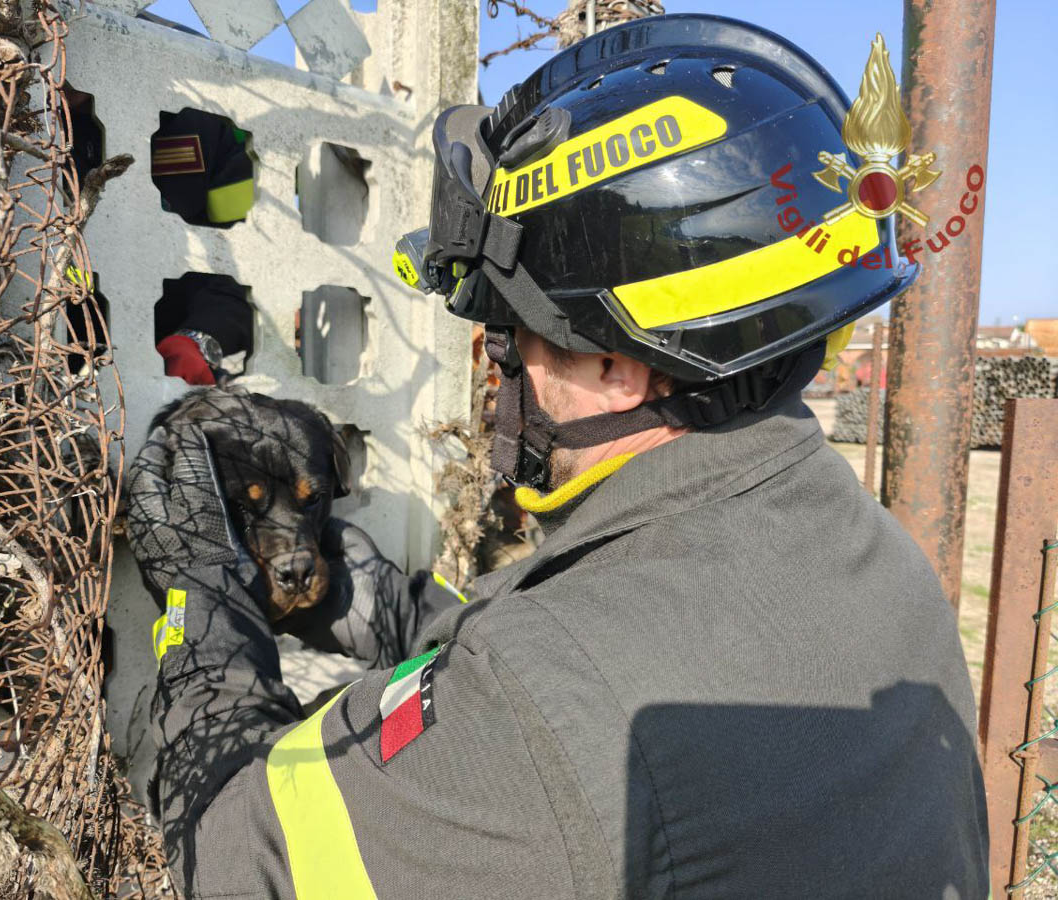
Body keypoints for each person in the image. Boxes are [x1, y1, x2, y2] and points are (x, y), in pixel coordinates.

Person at [126, 14, 988, 898]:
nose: (499, 375)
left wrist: (201, 590)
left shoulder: (543, 708)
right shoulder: (878, 563)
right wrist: (387, 610)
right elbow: (600, 654)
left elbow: (230, 857)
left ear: (616, 367)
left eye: (511, 336)